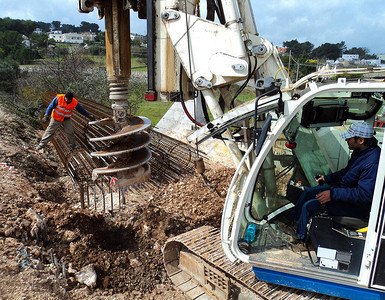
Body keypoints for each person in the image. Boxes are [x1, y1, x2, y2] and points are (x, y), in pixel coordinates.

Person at [290, 122, 381, 240]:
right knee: (308, 192)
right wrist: (327, 178)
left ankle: (300, 238)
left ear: (361, 140)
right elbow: (347, 172)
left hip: (357, 206)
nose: (346, 140)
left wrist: (333, 195)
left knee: (310, 206)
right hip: (343, 192)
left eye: (350, 137)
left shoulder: (373, 162)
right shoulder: (360, 152)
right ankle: (293, 224)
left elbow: (364, 195)